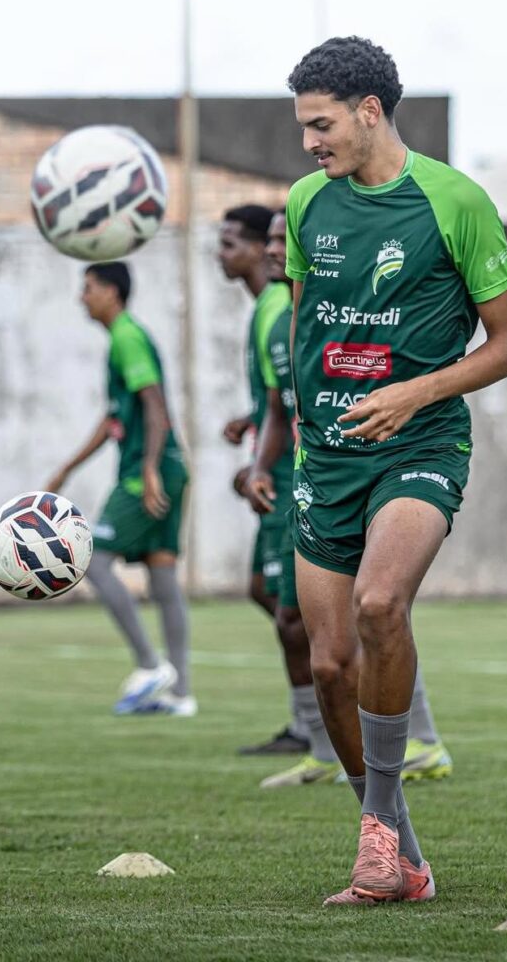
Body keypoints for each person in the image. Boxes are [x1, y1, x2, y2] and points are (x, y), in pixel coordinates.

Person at [281, 36, 507, 905]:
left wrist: (414, 393)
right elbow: (306, 324)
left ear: (369, 111)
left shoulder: (455, 201)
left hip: (420, 446)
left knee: (381, 605)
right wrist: (294, 434)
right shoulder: (308, 202)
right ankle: (401, 856)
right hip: (328, 459)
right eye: (304, 127)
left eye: (321, 125)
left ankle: (376, 843)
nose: (310, 144)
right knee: (329, 666)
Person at [248, 212, 453, 790]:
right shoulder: (278, 318)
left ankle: (412, 745)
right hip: (314, 472)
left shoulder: (439, 212)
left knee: (377, 606)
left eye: (269, 240)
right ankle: (327, 749)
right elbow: (280, 403)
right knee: (319, 641)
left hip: (393, 459)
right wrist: (261, 463)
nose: (270, 251)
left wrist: (415, 393)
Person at [45, 262, 195, 717]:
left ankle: (151, 666)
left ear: (112, 291)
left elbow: (155, 405)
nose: (82, 297)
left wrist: (148, 468)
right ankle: (180, 693)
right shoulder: (122, 339)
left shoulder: (127, 337)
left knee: (89, 557)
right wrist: (67, 468)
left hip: (144, 474)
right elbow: (114, 419)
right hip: (166, 467)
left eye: (87, 288)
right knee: (163, 575)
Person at [218, 204, 310, 756]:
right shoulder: (268, 309)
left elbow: (293, 405)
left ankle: (315, 727)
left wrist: (260, 464)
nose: (220, 255)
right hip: (273, 468)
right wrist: (252, 429)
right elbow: (279, 403)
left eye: (231, 244)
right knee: (268, 595)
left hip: (293, 477)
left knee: (295, 613)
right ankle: (315, 719)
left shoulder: (279, 308)